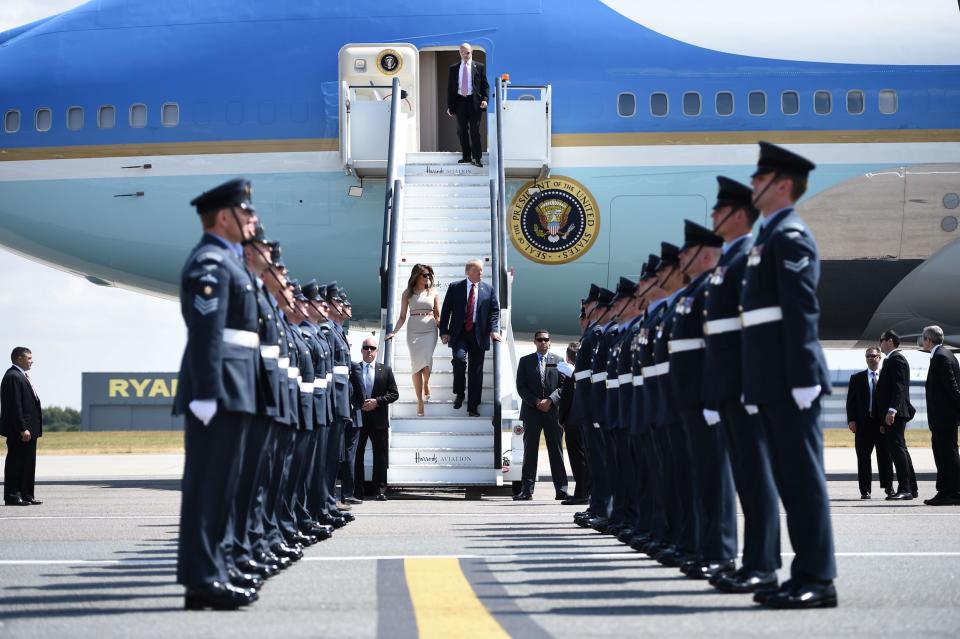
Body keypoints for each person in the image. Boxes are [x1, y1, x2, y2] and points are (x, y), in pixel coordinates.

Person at [741, 141, 836, 609]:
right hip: (773, 380)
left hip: (790, 379)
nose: (753, 185)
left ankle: (818, 579)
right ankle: (803, 574)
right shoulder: (769, 235)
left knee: (803, 482)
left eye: (760, 180)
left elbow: (801, 311)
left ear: (782, 185)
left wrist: (802, 378)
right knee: (791, 482)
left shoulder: (790, 235)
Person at [174, 178, 261, 610]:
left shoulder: (229, 262)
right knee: (208, 489)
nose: (251, 219)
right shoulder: (210, 262)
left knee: (223, 489)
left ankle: (215, 572)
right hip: (218, 390)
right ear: (224, 217)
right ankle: (202, 579)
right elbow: (208, 334)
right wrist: (206, 393)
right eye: (245, 213)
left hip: (234, 388)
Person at [702, 176, 781, 596]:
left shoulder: (748, 256)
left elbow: (758, 328)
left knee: (756, 479)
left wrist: (752, 384)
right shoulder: (730, 261)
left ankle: (763, 565)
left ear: (736, 215)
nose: (713, 216)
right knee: (747, 481)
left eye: (718, 210)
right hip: (729, 387)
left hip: (744, 387)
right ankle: (753, 563)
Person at [439, 259, 500, 416]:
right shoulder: (455, 287)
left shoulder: (488, 289)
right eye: (477, 270)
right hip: (459, 333)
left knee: (476, 372)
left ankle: (473, 406)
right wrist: (444, 331)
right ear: (468, 272)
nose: (481, 273)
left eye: (481, 270)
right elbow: (446, 310)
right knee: (459, 361)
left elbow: (494, 311)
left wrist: (493, 329)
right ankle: (460, 393)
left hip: (479, 335)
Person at [515, 330, 567, 500]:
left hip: (552, 413)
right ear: (535, 341)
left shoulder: (559, 361)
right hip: (532, 412)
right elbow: (521, 387)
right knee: (530, 452)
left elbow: (563, 386)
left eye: (546, 339)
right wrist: (536, 401)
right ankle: (527, 490)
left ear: (550, 342)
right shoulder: (525, 361)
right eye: (540, 339)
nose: (543, 342)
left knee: (556, 452)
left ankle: (561, 490)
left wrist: (550, 401)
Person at [386, 264, 439, 416]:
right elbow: (402, 317)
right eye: (425, 275)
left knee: (427, 363)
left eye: (429, 275)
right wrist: (394, 332)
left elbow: (438, 315)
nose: (428, 277)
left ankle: (426, 383)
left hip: (430, 330)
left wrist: (445, 332)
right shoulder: (407, 294)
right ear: (417, 276)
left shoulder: (434, 292)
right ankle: (419, 400)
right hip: (413, 330)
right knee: (416, 366)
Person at [353, 337, 399, 501]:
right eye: (366, 348)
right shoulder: (355, 369)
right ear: (361, 350)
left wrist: (377, 402)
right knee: (357, 455)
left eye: (372, 348)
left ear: (377, 351)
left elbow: (394, 394)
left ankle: (380, 490)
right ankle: (357, 490)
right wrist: (359, 405)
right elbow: (349, 392)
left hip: (379, 420)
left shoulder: (385, 370)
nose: (369, 351)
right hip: (358, 418)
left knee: (380, 455)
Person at [875, 329, 919, 500]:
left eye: (881, 340)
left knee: (898, 451)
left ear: (890, 341)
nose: (880, 344)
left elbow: (899, 387)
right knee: (900, 450)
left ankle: (905, 488)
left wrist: (892, 410)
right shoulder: (891, 360)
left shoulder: (896, 359)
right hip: (892, 413)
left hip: (895, 413)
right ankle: (911, 488)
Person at [845, 347, 894, 499]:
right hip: (863, 425)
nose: (869, 358)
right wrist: (851, 420)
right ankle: (865, 490)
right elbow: (850, 402)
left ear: (879, 357)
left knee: (885, 457)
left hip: (881, 424)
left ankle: (888, 487)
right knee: (863, 458)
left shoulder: (886, 378)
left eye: (872, 356)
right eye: (867, 356)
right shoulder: (857, 378)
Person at [920, 325, 960, 505]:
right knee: (947, 453)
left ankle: (950, 492)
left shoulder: (940, 357)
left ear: (928, 340)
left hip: (944, 418)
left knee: (946, 455)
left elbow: (952, 388)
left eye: (924, 339)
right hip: (946, 417)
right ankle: (947, 491)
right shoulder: (948, 354)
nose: (923, 342)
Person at [1, 347, 42, 506]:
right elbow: (15, 406)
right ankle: (12, 496)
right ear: (19, 359)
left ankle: (26, 495)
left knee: (28, 463)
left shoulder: (21, 376)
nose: (32, 361)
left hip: (29, 430)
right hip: (20, 430)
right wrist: (22, 428)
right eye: (29, 358)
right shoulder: (13, 376)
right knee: (16, 462)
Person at [446, 42, 489, 167]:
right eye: (462, 53)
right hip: (460, 102)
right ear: (460, 53)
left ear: (472, 52)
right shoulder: (454, 68)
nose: (465, 55)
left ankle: (477, 158)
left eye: (467, 52)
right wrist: (450, 106)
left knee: (475, 130)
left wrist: (485, 99)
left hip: (474, 102)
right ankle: (466, 157)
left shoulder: (479, 67)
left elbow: (485, 86)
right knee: (461, 131)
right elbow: (451, 88)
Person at [557, 341, 589, 505]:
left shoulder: (572, 373)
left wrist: (561, 418)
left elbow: (566, 399)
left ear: (568, 358)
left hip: (574, 420)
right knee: (585, 458)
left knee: (577, 459)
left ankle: (582, 492)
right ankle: (583, 491)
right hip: (585, 419)